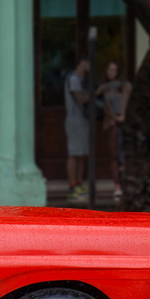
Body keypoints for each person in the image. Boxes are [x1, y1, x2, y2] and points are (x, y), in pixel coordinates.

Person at [96, 61, 131, 200]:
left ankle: (126, 182)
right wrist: (114, 117)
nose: (111, 73)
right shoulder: (104, 88)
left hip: (124, 122)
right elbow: (100, 102)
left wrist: (123, 115)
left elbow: (128, 100)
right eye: (109, 70)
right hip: (111, 122)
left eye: (114, 70)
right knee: (114, 154)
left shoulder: (125, 86)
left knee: (125, 154)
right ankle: (116, 184)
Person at [64, 58, 91, 202]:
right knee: (74, 153)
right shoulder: (74, 79)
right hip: (75, 121)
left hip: (83, 121)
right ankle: (72, 185)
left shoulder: (83, 79)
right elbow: (80, 98)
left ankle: (79, 182)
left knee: (82, 153)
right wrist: (95, 93)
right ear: (83, 62)